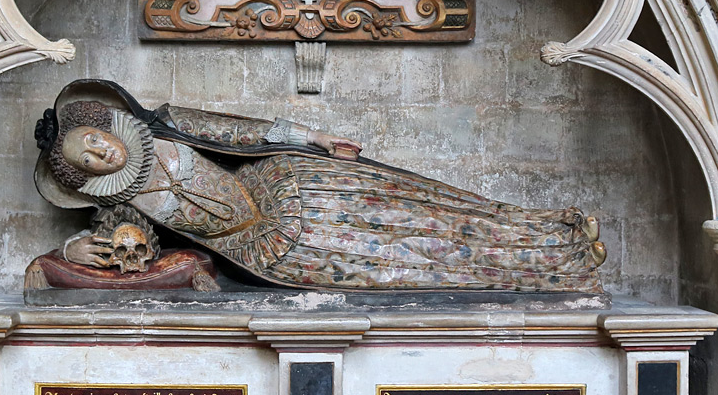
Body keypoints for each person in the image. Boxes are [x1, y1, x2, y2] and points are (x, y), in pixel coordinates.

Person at [34, 79, 605, 292]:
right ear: (87, 179)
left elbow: (246, 133)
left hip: (291, 185)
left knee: (421, 212)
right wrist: (71, 250)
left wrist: (314, 137)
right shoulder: (123, 206)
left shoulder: (163, 125)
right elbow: (121, 257)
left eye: (93, 139)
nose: (100, 152)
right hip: (273, 251)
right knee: (408, 266)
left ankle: (548, 230)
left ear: (108, 127)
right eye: (88, 160)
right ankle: (550, 268)